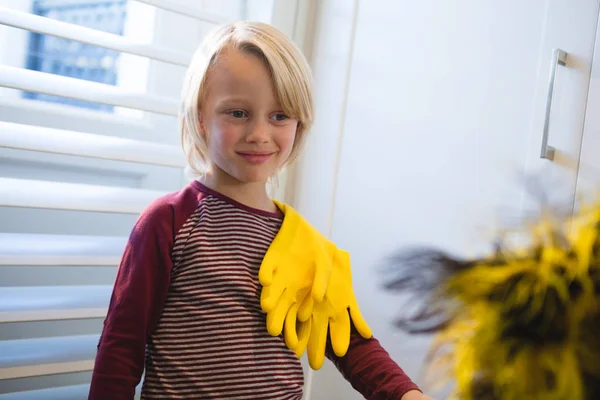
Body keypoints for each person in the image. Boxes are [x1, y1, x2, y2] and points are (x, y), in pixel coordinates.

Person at [88, 21, 432, 400]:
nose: (259, 134)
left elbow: (349, 339)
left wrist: (407, 394)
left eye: (279, 116)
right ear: (200, 116)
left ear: (299, 124)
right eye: (237, 113)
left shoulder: (306, 244)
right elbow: (121, 346)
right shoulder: (170, 221)